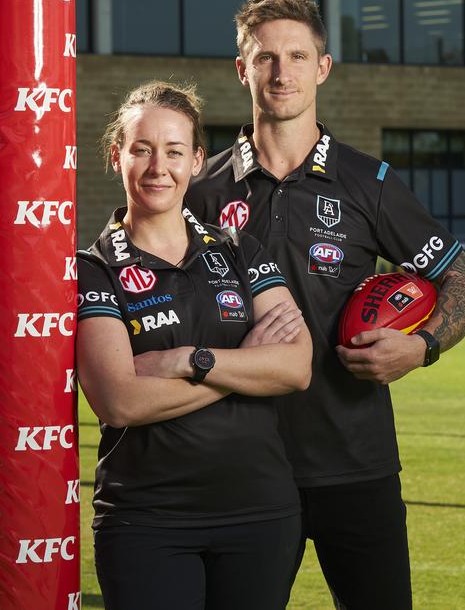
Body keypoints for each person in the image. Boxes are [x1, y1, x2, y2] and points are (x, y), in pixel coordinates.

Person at [183, 0, 465, 610]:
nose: (282, 72)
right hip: (243, 470)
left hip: (357, 464)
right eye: (266, 57)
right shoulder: (200, 191)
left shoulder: (368, 182)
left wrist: (420, 347)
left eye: (298, 56)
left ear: (322, 68)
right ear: (242, 69)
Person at [76, 80, 312, 610]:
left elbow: (297, 366)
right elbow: (120, 402)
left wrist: (190, 361)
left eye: (174, 151)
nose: (159, 166)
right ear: (117, 157)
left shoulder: (238, 249)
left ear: (198, 161)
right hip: (147, 521)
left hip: (260, 515)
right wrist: (248, 367)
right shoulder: (93, 269)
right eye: (141, 149)